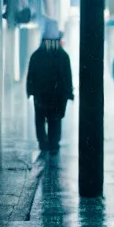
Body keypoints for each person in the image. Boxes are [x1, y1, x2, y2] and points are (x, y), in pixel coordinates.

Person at [26, 24, 73, 154]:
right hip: (56, 96)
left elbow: (31, 75)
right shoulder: (63, 56)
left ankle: (44, 142)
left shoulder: (36, 55)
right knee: (55, 119)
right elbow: (67, 76)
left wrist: (30, 91)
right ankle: (53, 143)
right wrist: (68, 93)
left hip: (41, 95)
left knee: (40, 119)